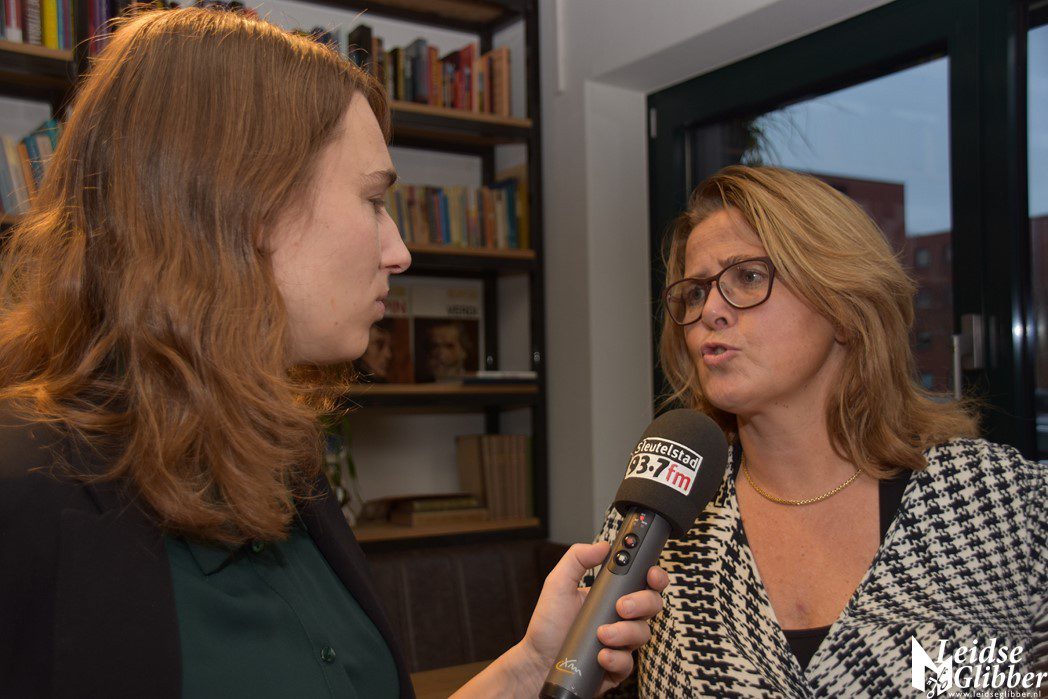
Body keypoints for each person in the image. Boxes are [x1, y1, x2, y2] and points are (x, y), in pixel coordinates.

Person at [0, 8, 669, 698]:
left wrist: (530, 666)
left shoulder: (282, 466)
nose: (400, 251)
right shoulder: (27, 501)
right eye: (374, 200)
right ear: (247, 206)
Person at [596, 165, 1047, 697]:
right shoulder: (656, 517)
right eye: (695, 293)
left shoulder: (1002, 500)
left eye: (749, 277)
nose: (710, 311)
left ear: (843, 306)